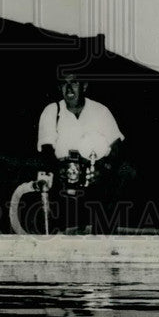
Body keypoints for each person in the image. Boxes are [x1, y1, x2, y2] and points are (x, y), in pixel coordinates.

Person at [36, 73, 125, 233]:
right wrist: (59, 169)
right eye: (64, 84)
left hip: (96, 175)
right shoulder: (52, 110)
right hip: (64, 176)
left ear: (84, 86)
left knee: (122, 176)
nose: (69, 88)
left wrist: (104, 168)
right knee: (62, 227)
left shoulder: (100, 111)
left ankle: (104, 236)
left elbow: (117, 146)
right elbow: (46, 148)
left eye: (74, 83)